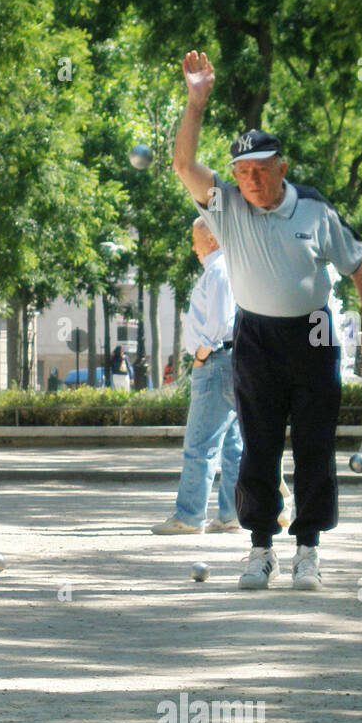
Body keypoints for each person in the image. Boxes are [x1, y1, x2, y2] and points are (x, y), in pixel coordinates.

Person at [173, 50, 362, 591]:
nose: (252, 182)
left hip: (313, 335)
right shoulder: (228, 207)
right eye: (243, 173)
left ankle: (308, 549)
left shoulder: (314, 209)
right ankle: (260, 549)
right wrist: (197, 102)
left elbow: (359, 264)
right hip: (256, 336)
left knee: (314, 446)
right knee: (259, 447)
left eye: (262, 171)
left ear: (282, 169)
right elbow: (184, 166)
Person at [150, 220, 245, 535]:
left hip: (216, 361)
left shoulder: (218, 272)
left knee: (200, 443)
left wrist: (201, 355)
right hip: (231, 359)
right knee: (232, 444)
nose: (193, 246)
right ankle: (232, 514)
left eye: (196, 239)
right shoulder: (230, 269)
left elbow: (218, 323)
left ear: (213, 238)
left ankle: (189, 517)